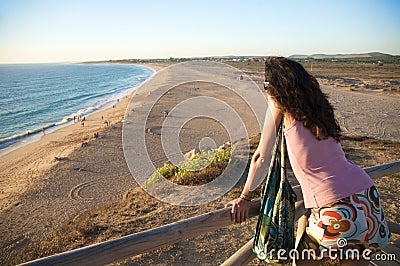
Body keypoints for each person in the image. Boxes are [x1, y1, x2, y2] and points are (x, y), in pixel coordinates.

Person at [225, 57, 390, 265]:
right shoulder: (319, 111)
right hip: (367, 198)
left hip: (334, 206)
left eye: (267, 85)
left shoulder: (279, 104)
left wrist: (245, 197)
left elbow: (261, 156)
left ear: (275, 86)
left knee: (303, 262)